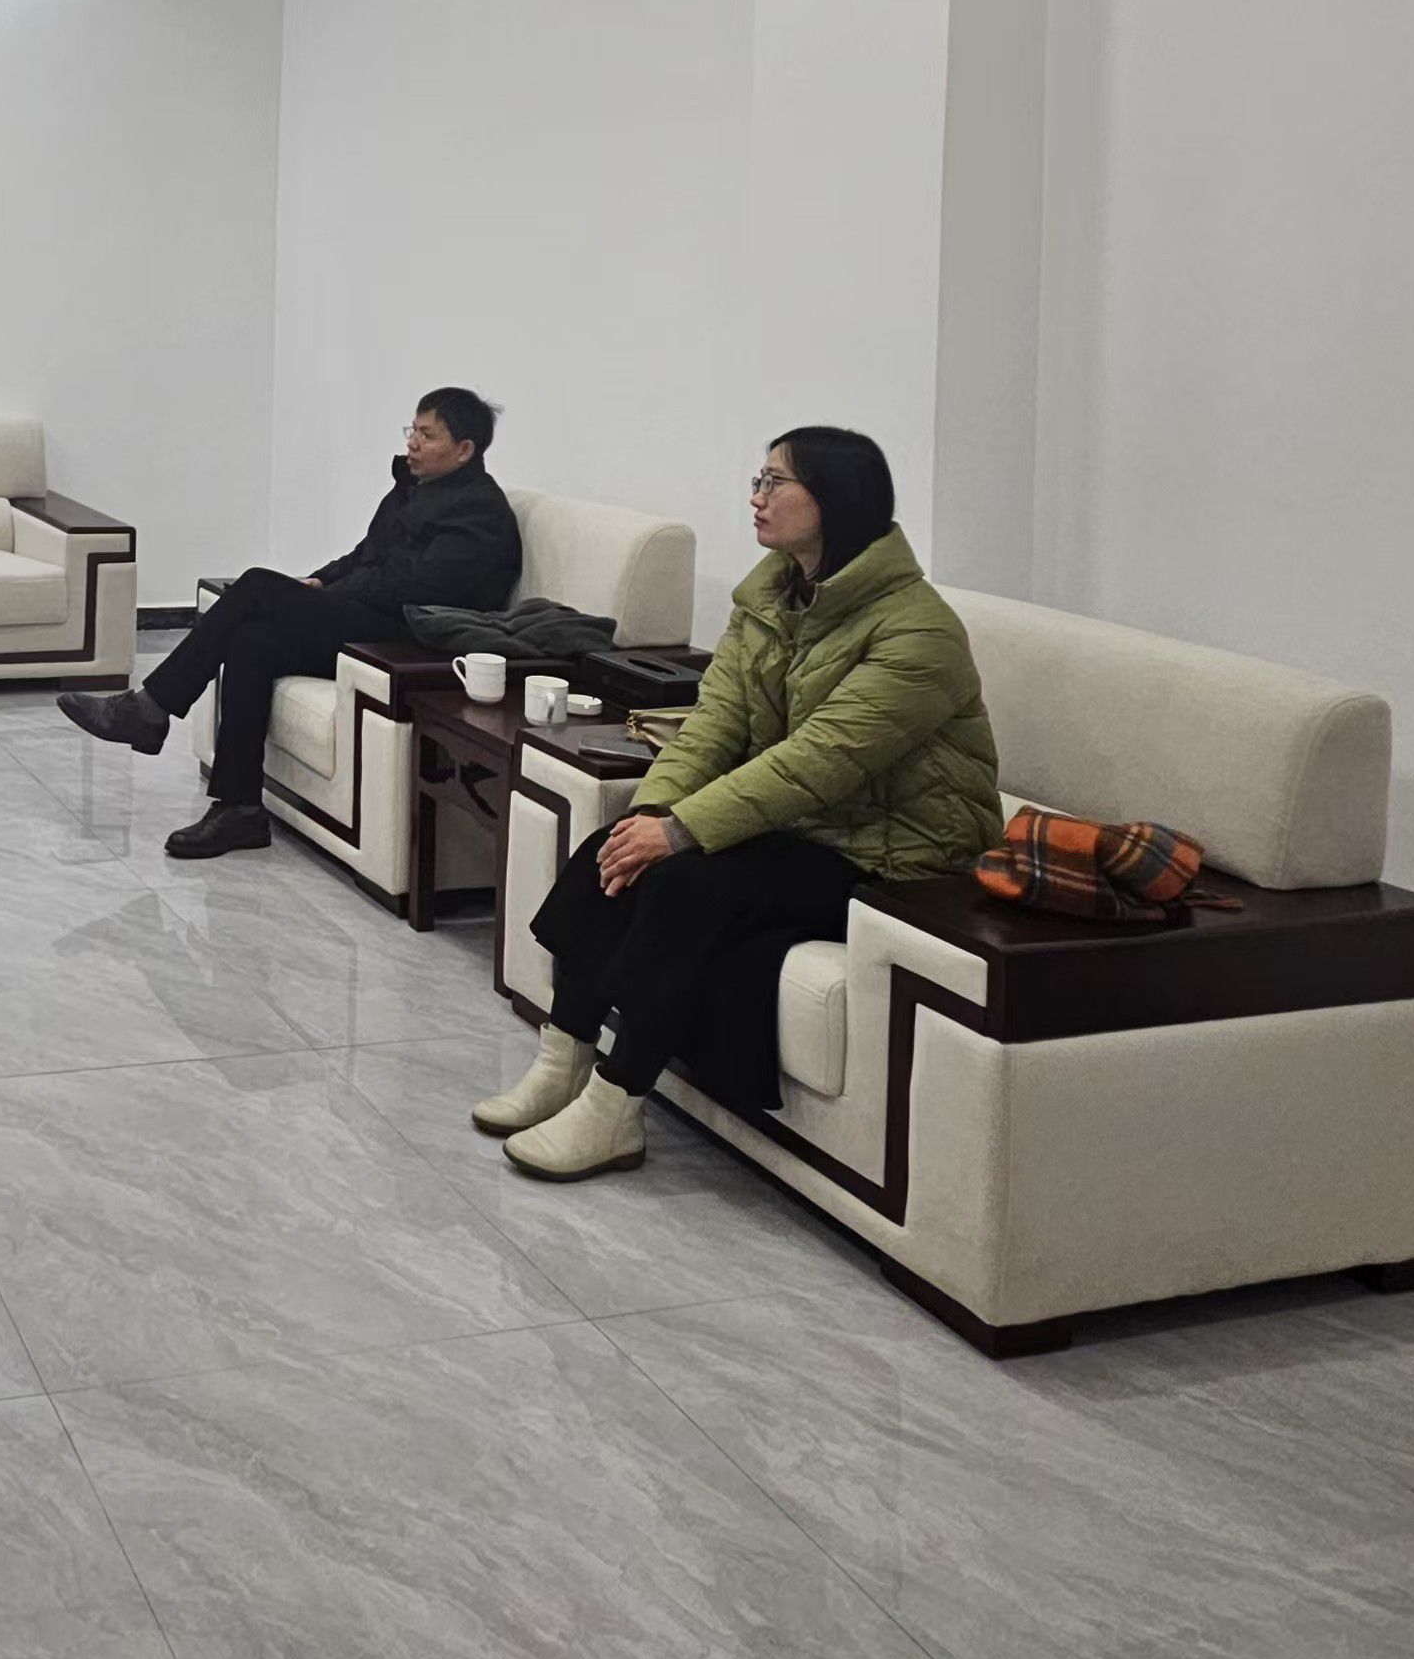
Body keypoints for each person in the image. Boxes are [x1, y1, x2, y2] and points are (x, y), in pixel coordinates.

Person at [475, 425, 998, 1180]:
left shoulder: (919, 631)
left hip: (898, 855)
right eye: (759, 480)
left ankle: (617, 1106)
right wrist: (651, 814)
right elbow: (713, 724)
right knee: (610, 851)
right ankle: (563, 1061)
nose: (756, 497)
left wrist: (683, 832)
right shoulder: (772, 598)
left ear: (835, 500)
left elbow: (818, 762)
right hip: (804, 828)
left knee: (687, 884)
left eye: (774, 482)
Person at [59, 386, 521, 858]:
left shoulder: (480, 512)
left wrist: (331, 595)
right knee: (253, 640)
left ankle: (150, 708)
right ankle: (239, 809)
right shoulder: (411, 489)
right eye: (412, 430)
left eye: (427, 435)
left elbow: (421, 588)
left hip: (410, 639)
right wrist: (320, 580)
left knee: (257, 585)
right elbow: (366, 555)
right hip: (372, 616)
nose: (413, 443)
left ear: (464, 450)